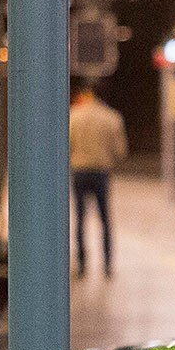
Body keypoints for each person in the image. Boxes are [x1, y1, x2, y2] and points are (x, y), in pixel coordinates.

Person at [68, 80, 127, 277]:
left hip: (79, 171)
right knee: (104, 218)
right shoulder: (112, 117)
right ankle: (108, 264)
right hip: (101, 172)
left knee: (80, 218)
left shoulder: (73, 116)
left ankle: (83, 263)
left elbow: (66, 147)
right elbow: (120, 152)